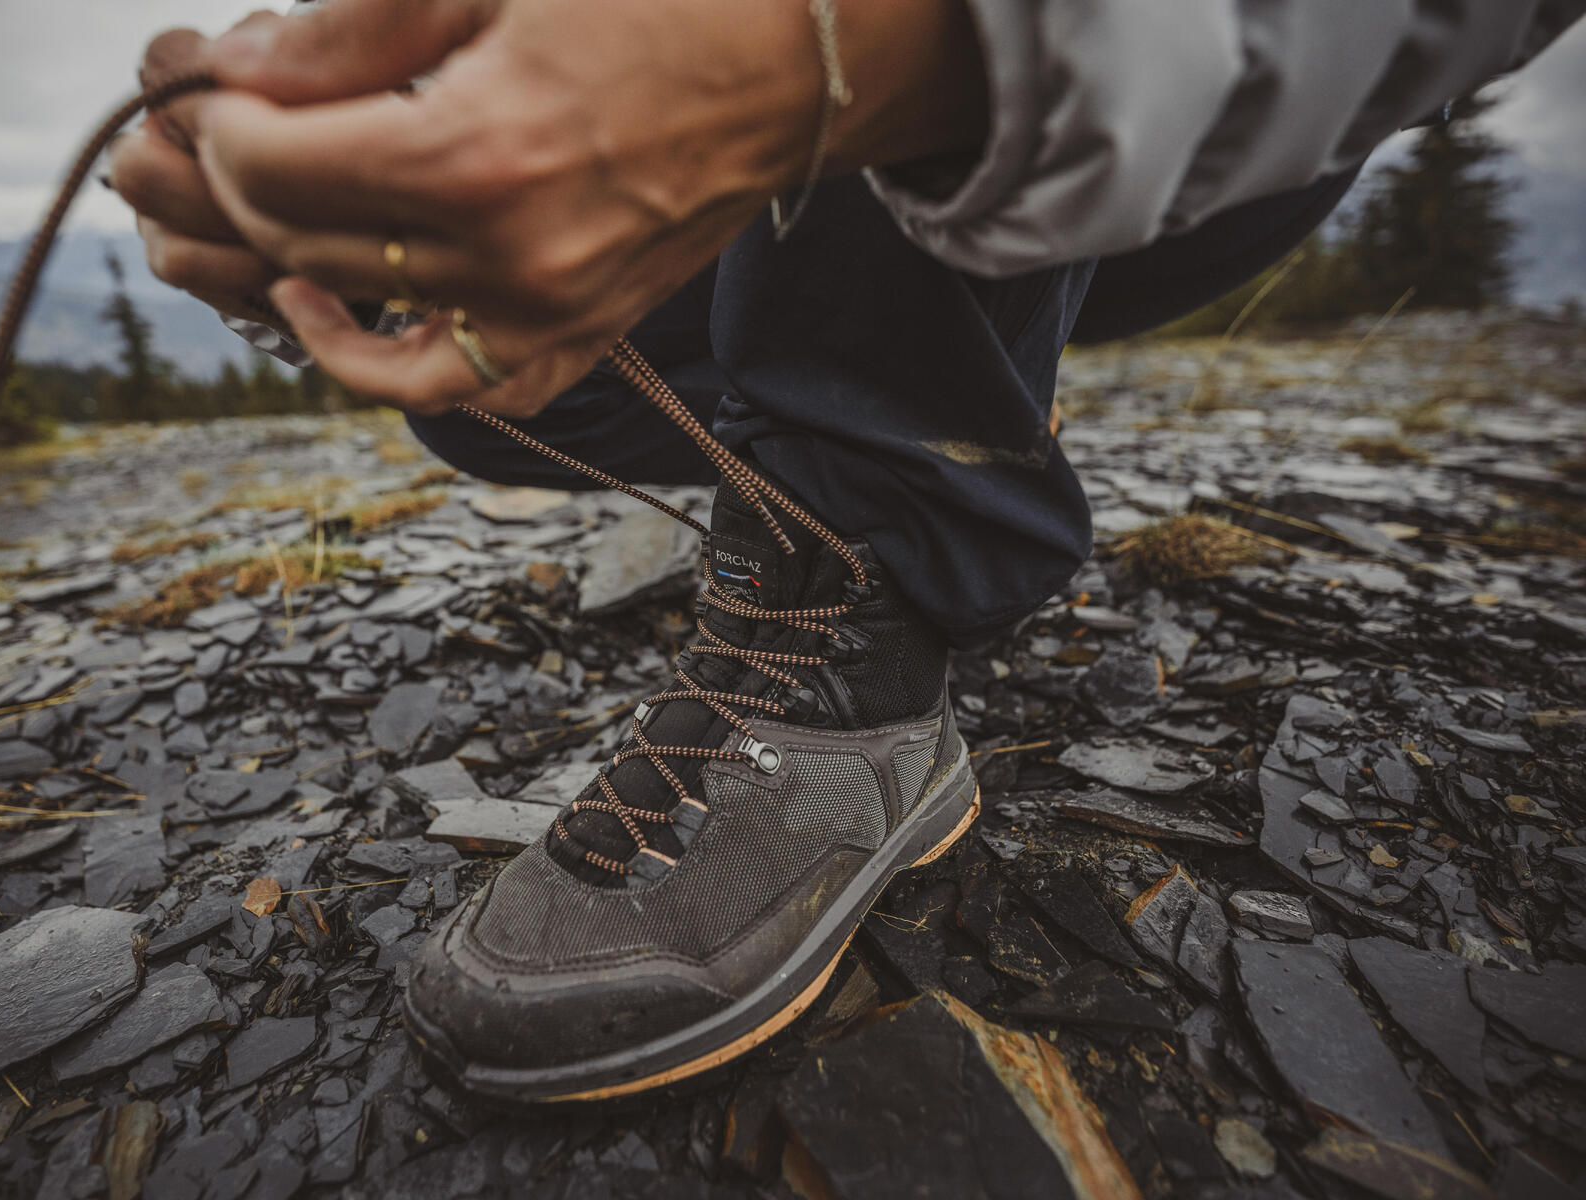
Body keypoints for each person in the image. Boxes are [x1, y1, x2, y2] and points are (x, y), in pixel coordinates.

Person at [111, 0, 1581, 1101]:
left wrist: (863, 41)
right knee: (498, 382)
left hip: (1195, 91)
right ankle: (837, 430)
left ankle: (857, 642)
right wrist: (356, 192)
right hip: (910, 136)